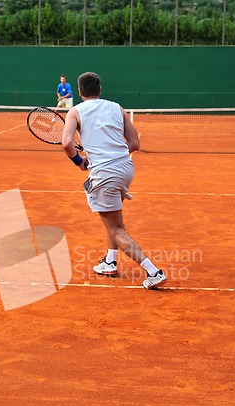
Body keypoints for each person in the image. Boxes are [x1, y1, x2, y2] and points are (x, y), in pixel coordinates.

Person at [62, 72, 167, 290]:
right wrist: (110, 155)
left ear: (80, 92)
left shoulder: (75, 111)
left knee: (116, 228)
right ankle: (110, 261)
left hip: (104, 173)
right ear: (100, 90)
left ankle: (153, 271)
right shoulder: (116, 108)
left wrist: (80, 162)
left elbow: (66, 143)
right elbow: (134, 144)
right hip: (125, 168)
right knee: (113, 220)